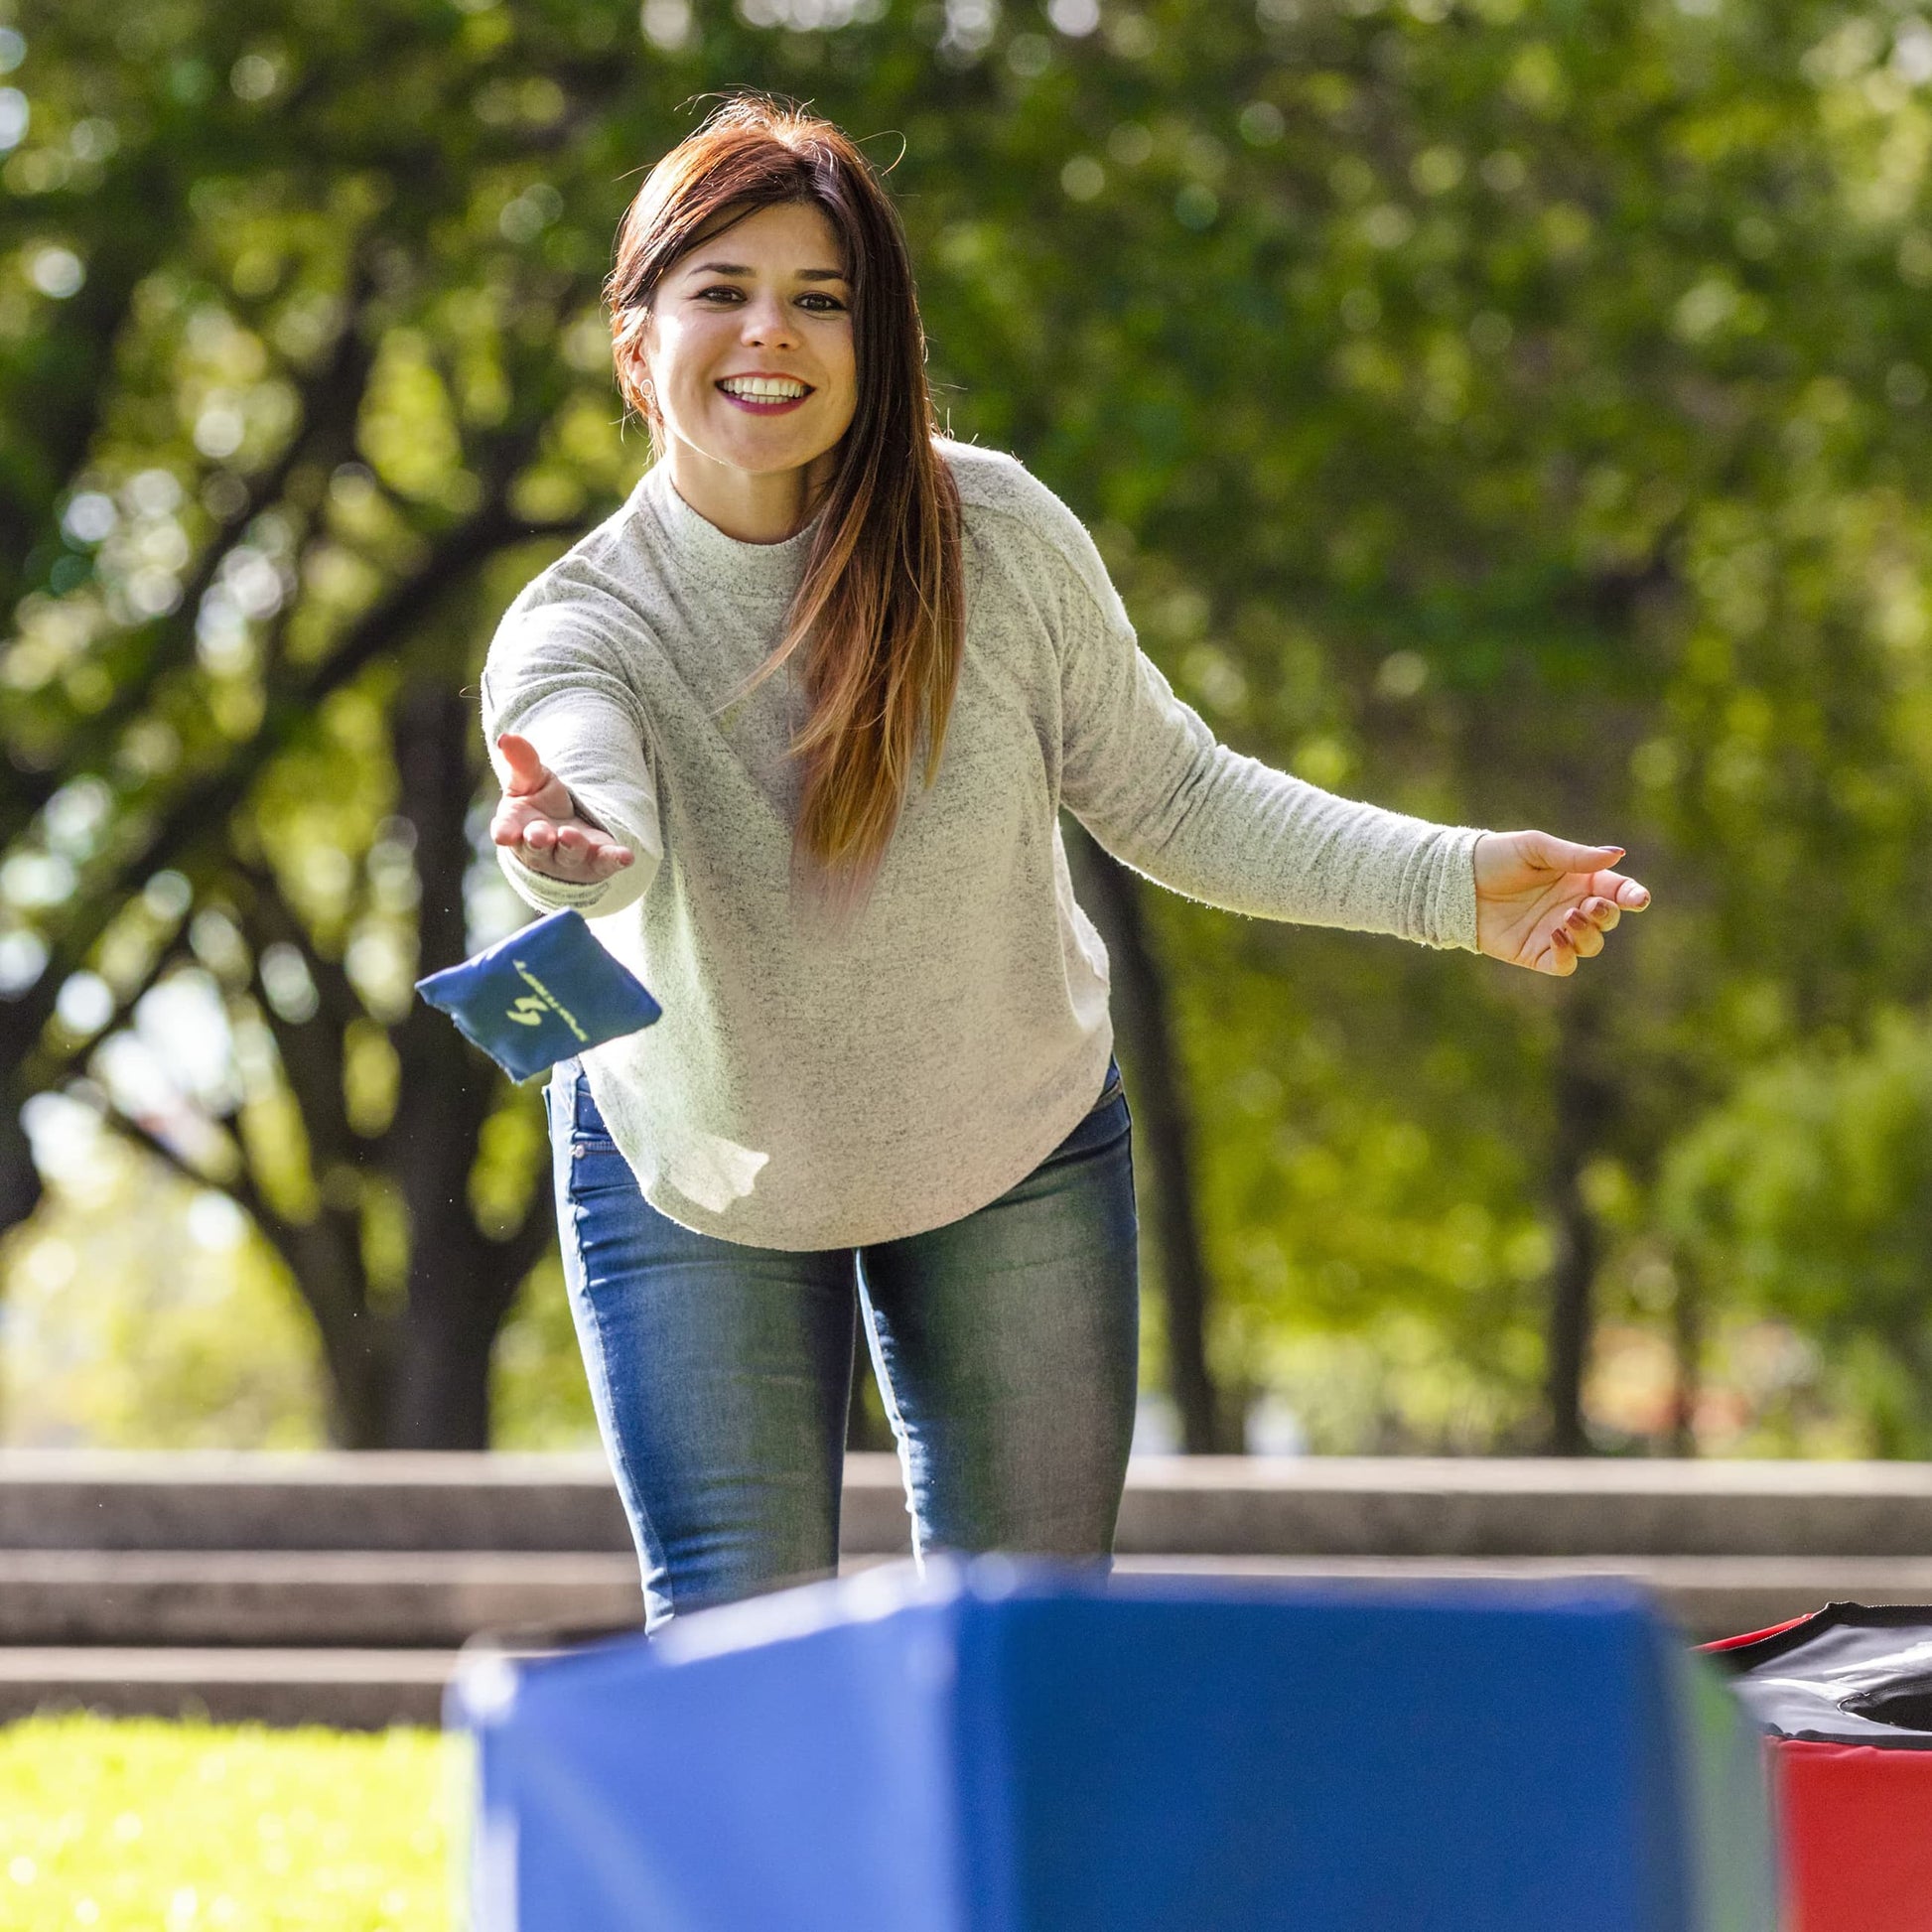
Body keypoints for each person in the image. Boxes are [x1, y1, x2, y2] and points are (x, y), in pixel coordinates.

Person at [481, 92, 1650, 1633]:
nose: (773, 333)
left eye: (819, 299)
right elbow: (588, 802)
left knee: (1027, 1650)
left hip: (1008, 1140)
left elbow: (1174, 793)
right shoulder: (580, 626)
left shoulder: (994, 534)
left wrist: (1453, 885)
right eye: (723, 291)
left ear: (874, 339)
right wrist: (573, 843)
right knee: (732, 1668)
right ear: (636, 345)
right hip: (699, 1164)